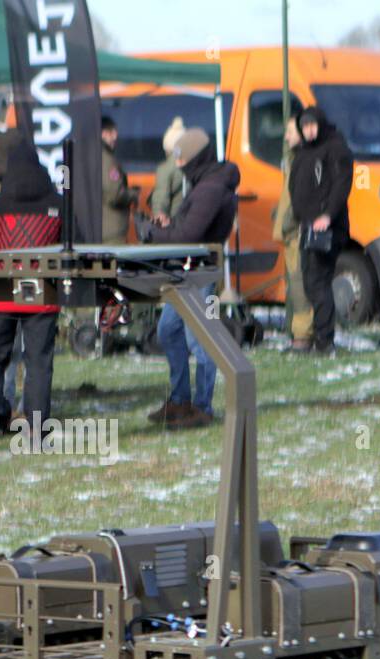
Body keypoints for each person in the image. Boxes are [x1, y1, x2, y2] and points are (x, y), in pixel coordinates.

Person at [0, 139, 66, 448]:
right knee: (37, 361)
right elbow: (77, 246)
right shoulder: (60, 204)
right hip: (43, 294)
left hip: (2, 293)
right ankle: (36, 427)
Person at [140, 127, 240, 429]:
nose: (179, 166)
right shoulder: (205, 184)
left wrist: (155, 234)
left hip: (199, 272)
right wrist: (168, 226)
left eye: (182, 160)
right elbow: (188, 228)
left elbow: (189, 235)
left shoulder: (210, 188)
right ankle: (182, 400)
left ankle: (201, 406)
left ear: (195, 159)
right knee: (169, 330)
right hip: (189, 270)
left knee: (200, 339)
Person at [289, 106, 353, 353]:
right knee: (310, 280)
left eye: (312, 125)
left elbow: (341, 185)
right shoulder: (305, 152)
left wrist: (327, 215)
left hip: (327, 229)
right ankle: (320, 338)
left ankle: (325, 341)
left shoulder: (336, 148)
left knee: (318, 280)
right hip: (308, 227)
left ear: (321, 124)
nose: (309, 131)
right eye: (304, 127)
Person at [271, 115, 314, 350]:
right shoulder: (294, 159)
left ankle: (303, 336)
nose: (286, 136)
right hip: (291, 231)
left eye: (290, 132)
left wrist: (287, 220)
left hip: (296, 231)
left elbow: (298, 200)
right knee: (296, 283)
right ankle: (301, 333)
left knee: (299, 285)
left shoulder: (303, 161)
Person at [101, 116, 139, 245]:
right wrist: (133, 194)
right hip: (112, 231)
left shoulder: (90, 155)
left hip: (100, 228)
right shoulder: (107, 159)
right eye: (111, 133)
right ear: (103, 133)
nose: (115, 137)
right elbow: (115, 194)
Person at [150, 116, 187, 220]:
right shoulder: (191, 162)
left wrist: (159, 216)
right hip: (192, 222)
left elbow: (161, 198)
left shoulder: (165, 168)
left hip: (175, 221)